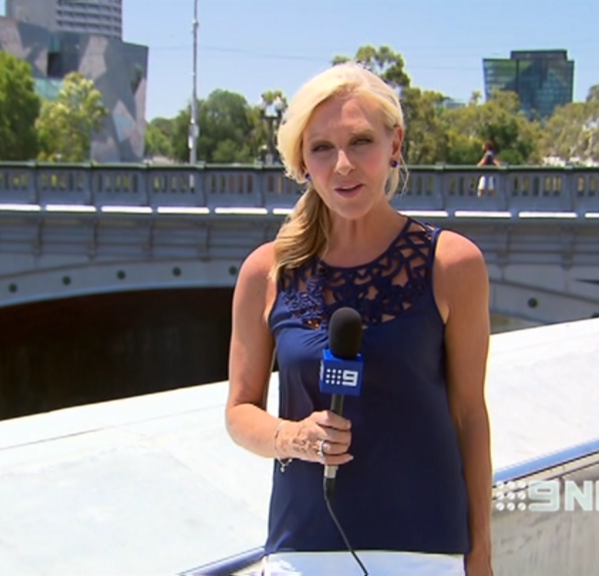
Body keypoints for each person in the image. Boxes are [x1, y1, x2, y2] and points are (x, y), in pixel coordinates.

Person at [225, 62, 494, 576]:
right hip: (302, 553)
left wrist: (480, 555)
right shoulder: (266, 272)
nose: (343, 165)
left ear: (395, 145)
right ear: (302, 162)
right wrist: (293, 437)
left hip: (426, 555)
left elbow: (469, 417)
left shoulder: (453, 265)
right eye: (322, 148)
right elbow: (239, 412)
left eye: (361, 141)